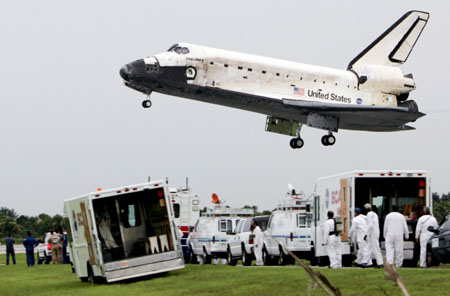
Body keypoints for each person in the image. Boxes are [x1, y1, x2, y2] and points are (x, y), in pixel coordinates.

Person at [364, 204, 383, 268]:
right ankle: (364, 262)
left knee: (375, 247)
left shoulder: (369, 214)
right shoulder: (375, 214)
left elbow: (370, 225)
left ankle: (380, 263)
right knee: (369, 247)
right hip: (376, 232)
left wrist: (366, 234)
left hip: (372, 232)